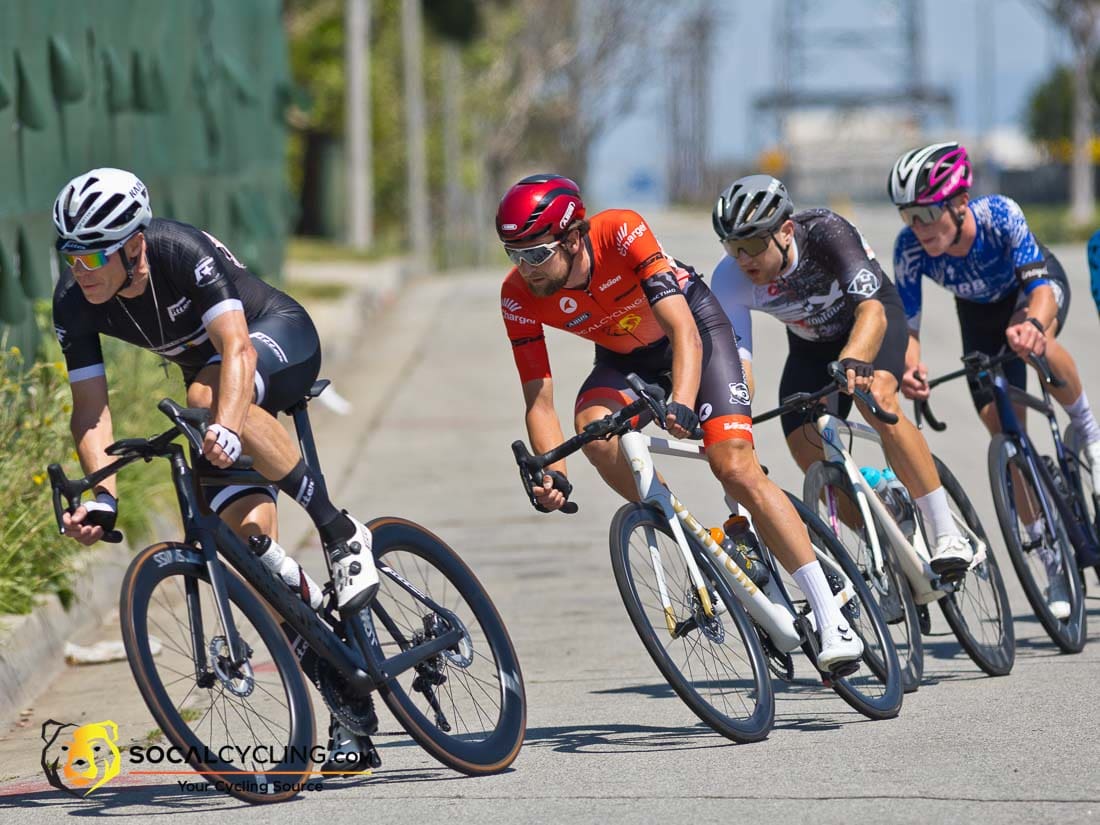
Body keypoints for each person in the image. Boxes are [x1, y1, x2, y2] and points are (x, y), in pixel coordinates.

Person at [52, 167, 377, 770]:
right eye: (71, 254)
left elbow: (236, 348)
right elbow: (91, 413)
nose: (82, 269)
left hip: (276, 339)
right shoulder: (74, 303)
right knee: (256, 558)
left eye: (95, 253)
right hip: (214, 384)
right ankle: (349, 706)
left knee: (206, 400)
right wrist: (101, 496)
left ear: (133, 244)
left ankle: (338, 528)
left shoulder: (181, 252)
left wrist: (227, 422)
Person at [498, 173, 862, 670]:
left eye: (537, 254)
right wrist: (552, 473)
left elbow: (682, 328)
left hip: (697, 332)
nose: (526, 270)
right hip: (627, 358)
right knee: (593, 428)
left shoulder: (621, 232)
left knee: (732, 466)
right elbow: (540, 400)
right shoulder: (517, 295)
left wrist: (683, 401)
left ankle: (828, 613)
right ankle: (689, 536)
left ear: (574, 237)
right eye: (514, 254)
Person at [708, 174, 975, 580]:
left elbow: (872, 310)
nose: (744, 259)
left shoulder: (826, 232)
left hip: (871, 321)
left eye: (754, 244)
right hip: (811, 347)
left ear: (784, 231)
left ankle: (945, 532)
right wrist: (734, 418)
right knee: (802, 443)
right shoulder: (729, 279)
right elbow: (738, 363)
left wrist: (854, 359)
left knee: (880, 401)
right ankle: (879, 537)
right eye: (733, 246)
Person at [888, 141, 1098, 618]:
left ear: (958, 203)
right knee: (1006, 439)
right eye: (908, 217)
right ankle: (1050, 564)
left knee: (1039, 344)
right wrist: (909, 367)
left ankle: (1088, 433)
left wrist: (1035, 326)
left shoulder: (999, 215)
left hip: (1031, 289)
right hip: (979, 315)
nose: (917, 228)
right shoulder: (909, 251)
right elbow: (911, 331)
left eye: (925, 214)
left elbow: (1040, 289)